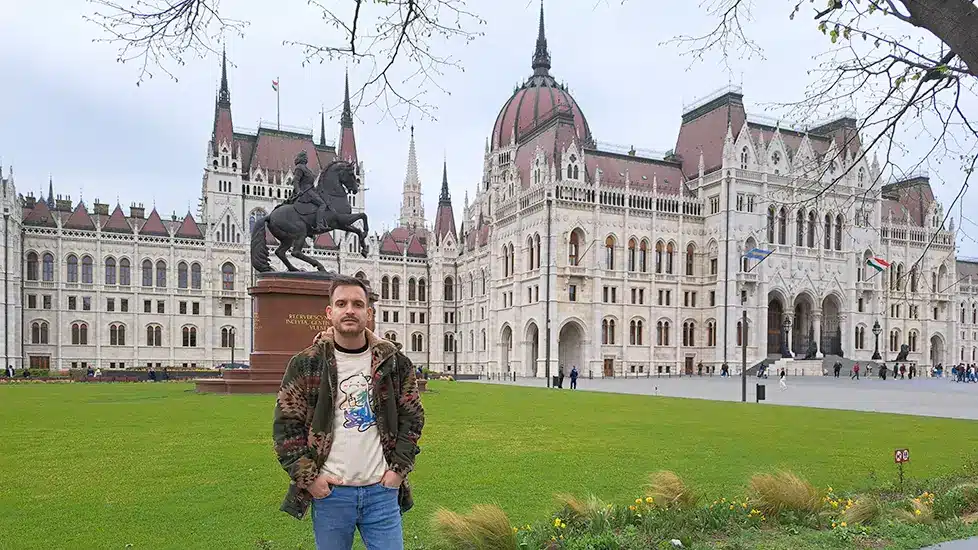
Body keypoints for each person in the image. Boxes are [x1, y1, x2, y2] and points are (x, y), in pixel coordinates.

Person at [273, 275, 425, 550]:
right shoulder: (306, 364)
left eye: (357, 304)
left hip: (382, 492)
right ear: (330, 312)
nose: (350, 310)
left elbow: (412, 418)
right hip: (331, 495)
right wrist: (310, 479)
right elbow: (286, 427)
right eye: (341, 303)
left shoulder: (394, 363)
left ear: (369, 312)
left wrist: (398, 472)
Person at [289, 151, 330, 232]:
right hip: (306, 192)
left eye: (306, 156)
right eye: (305, 156)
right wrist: (298, 191)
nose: (306, 158)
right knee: (322, 204)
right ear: (302, 158)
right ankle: (319, 224)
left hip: (311, 190)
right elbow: (295, 181)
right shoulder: (299, 167)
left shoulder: (305, 168)